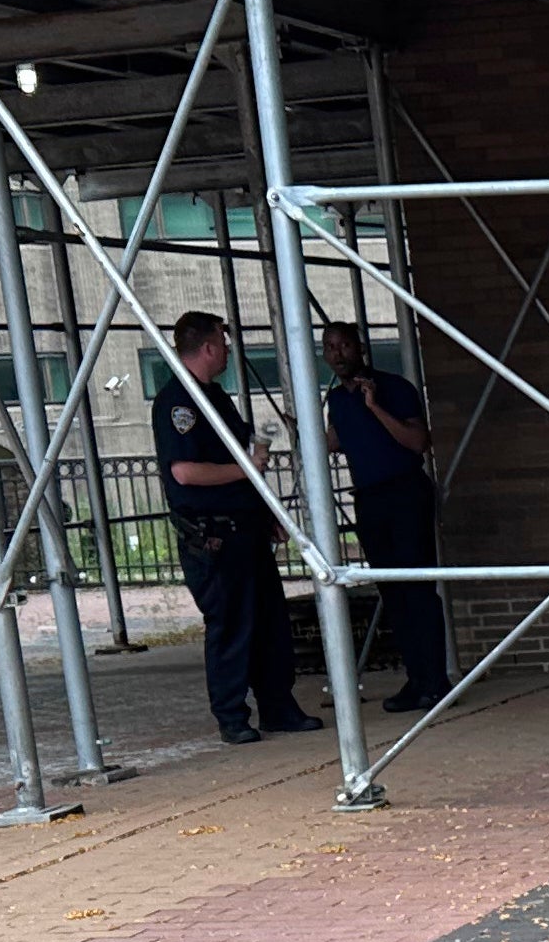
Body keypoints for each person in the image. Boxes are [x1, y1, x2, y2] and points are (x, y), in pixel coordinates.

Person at [153, 310, 317, 744]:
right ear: (207, 347)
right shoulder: (179, 403)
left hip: (244, 528)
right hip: (212, 536)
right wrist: (246, 470)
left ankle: (278, 707)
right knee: (231, 624)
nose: (228, 350)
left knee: (269, 622)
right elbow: (186, 472)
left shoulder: (216, 398)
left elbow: (242, 453)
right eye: (223, 343)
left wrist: (266, 512)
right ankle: (232, 716)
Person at [320, 321, 448, 715]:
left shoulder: (393, 388)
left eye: (345, 345)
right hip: (370, 499)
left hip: (405, 492)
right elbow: (335, 441)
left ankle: (436, 682)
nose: (338, 353)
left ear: (360, 348)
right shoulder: (337, 401)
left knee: (417, 588)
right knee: (392, 592)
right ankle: (416, 679)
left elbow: (417, 442)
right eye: (330, 347)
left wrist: (375, 407)